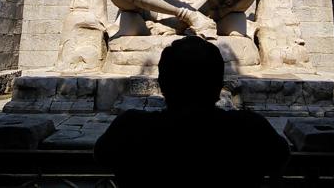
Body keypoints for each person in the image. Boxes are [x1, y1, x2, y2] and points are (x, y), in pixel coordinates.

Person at [94, 37, 290, 188]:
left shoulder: (130, 127)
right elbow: (280, 156)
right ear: (219, 86)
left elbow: (102, 156)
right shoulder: (251, 128)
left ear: (162, 84)